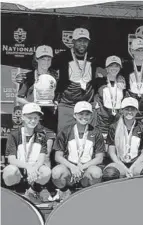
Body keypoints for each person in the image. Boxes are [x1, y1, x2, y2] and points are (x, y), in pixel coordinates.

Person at [16, 45, 59, 175]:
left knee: (45, 155)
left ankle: (44, 186)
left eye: (48, 59)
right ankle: (30, 186)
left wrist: (55, 103)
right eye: (42, 59)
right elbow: (19, 98)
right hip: (32, 122)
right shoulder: (28, 77)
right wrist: (32, 105)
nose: (46, 62)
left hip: (49, 121)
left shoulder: (55, 77)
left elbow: (58, 97)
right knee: (30, 155)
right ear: (37, 59)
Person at [51, 101, 105, 201]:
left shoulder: (96, 133)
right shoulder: (65, 131)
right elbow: (58, 156)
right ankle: (65, 190)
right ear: (75, 115)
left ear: (91, 116)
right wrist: (72, 167)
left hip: (86, 168)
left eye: (87, 114)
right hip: (69, 168)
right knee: (56, 173)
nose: (84, 117)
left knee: (97, 173)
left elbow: (99, 158)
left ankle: (87, 192)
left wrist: (81, 168)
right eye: (81, 114)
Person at [52, 28, 101, 132]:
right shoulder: (62, 56)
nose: (82, 44)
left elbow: (110, 71)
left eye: (85, 41)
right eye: (79, 41)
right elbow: (47, 70)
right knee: (64, 137)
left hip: (87, 104)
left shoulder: (94, 57)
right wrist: (25, 76)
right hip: (67, 105)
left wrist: (120, 76)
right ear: (73, 41)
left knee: (87, 138)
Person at [3, 103, 51, 203]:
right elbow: (11, 159)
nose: (33, 121)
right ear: (23, 117)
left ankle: (32, 192)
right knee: (9, 171)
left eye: (35, 118)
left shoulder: (41, 135)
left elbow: (42, 158)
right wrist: (28, 167)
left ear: (39, 119)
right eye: (29, 118)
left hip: (34, 169)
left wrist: (33, 168)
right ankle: (15, 193)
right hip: (20, 168)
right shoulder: (14, 135)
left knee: (46, 171)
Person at [102, 97, 143, 181]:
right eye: (127, 109)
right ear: (122, 110)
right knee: (110, 173)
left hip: (136, 163)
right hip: (120, 163)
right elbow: (112, 152)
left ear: (137, 111)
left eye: (132, 109)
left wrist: (132, 167)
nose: (129, 112)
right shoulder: (114, 127)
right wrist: (124, 168)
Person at [94, 56, 126, 137]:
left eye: (117, 66)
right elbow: (92, 96)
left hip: (117, 120)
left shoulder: (123, 83)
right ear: (107, 68)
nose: (114, 68)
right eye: (111, 65)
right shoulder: (99, 81)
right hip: (102, 121)